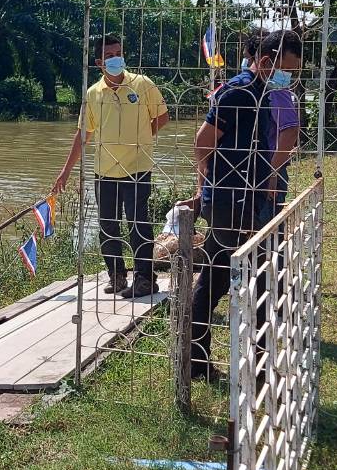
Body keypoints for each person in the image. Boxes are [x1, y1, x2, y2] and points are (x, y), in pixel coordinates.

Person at [185, 29, 303, 379]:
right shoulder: (238, 92)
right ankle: (242, 367)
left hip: (247, 197)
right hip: (229, 201)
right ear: (266, 62)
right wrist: (206, 189)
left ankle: (206, 362)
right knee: (239, 281)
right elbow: (203, 142)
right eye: (288, 70)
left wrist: (265, 177)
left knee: (232, 279)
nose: (289, 79)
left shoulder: (262, 91)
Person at [53, 34, 169, 298]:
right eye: (108, 56)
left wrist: (142, 137)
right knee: (108, 226)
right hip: (105, 170)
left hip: (137, 168)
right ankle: (116, 276)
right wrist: (65, 170)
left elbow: (162, 117)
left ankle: (144, 280)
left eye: (117, 53)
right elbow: (84, 134)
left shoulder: (142, 84)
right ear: (99, 62)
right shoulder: (93, 94)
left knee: (138, 224)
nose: (115, 58)